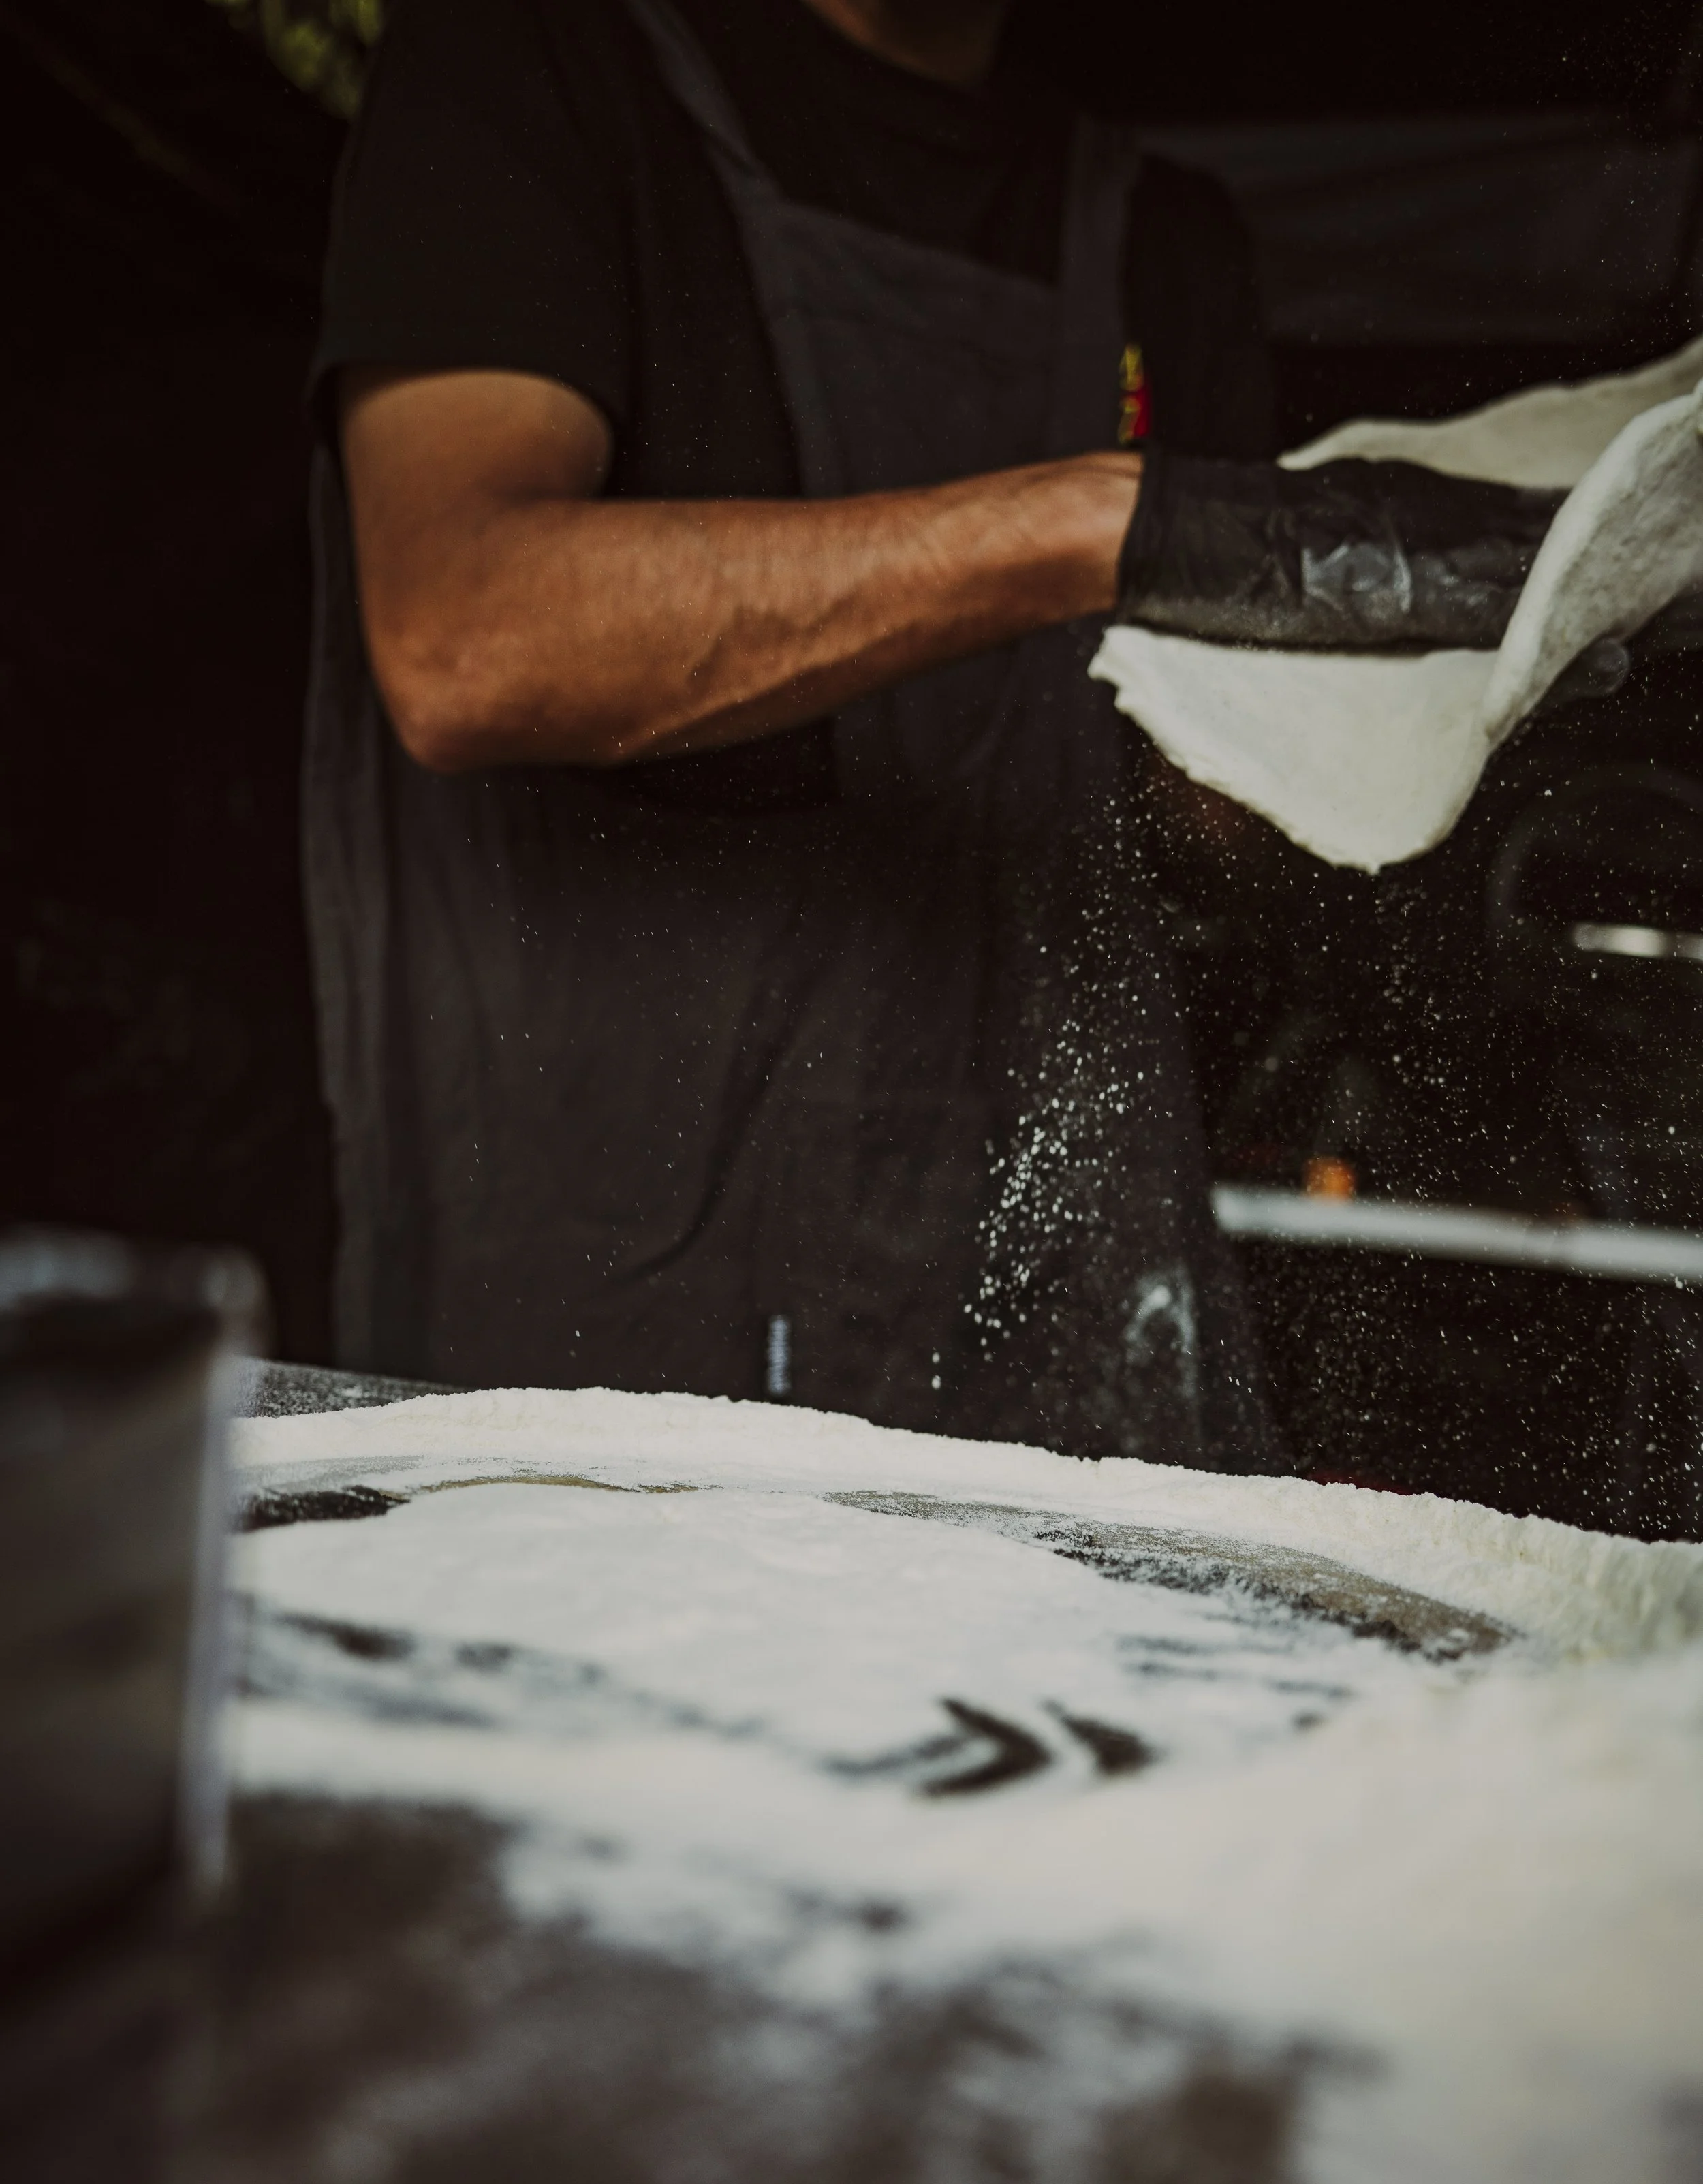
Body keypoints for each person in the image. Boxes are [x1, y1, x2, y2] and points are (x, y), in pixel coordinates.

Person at [307, 0, 1554, 1462]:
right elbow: (465, 638)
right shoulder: (534, 67)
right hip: (616, 1280)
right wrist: (1095, 526)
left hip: (1051, 1277)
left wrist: (1448, 697)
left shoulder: (1160, 237)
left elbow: (1197, 814)